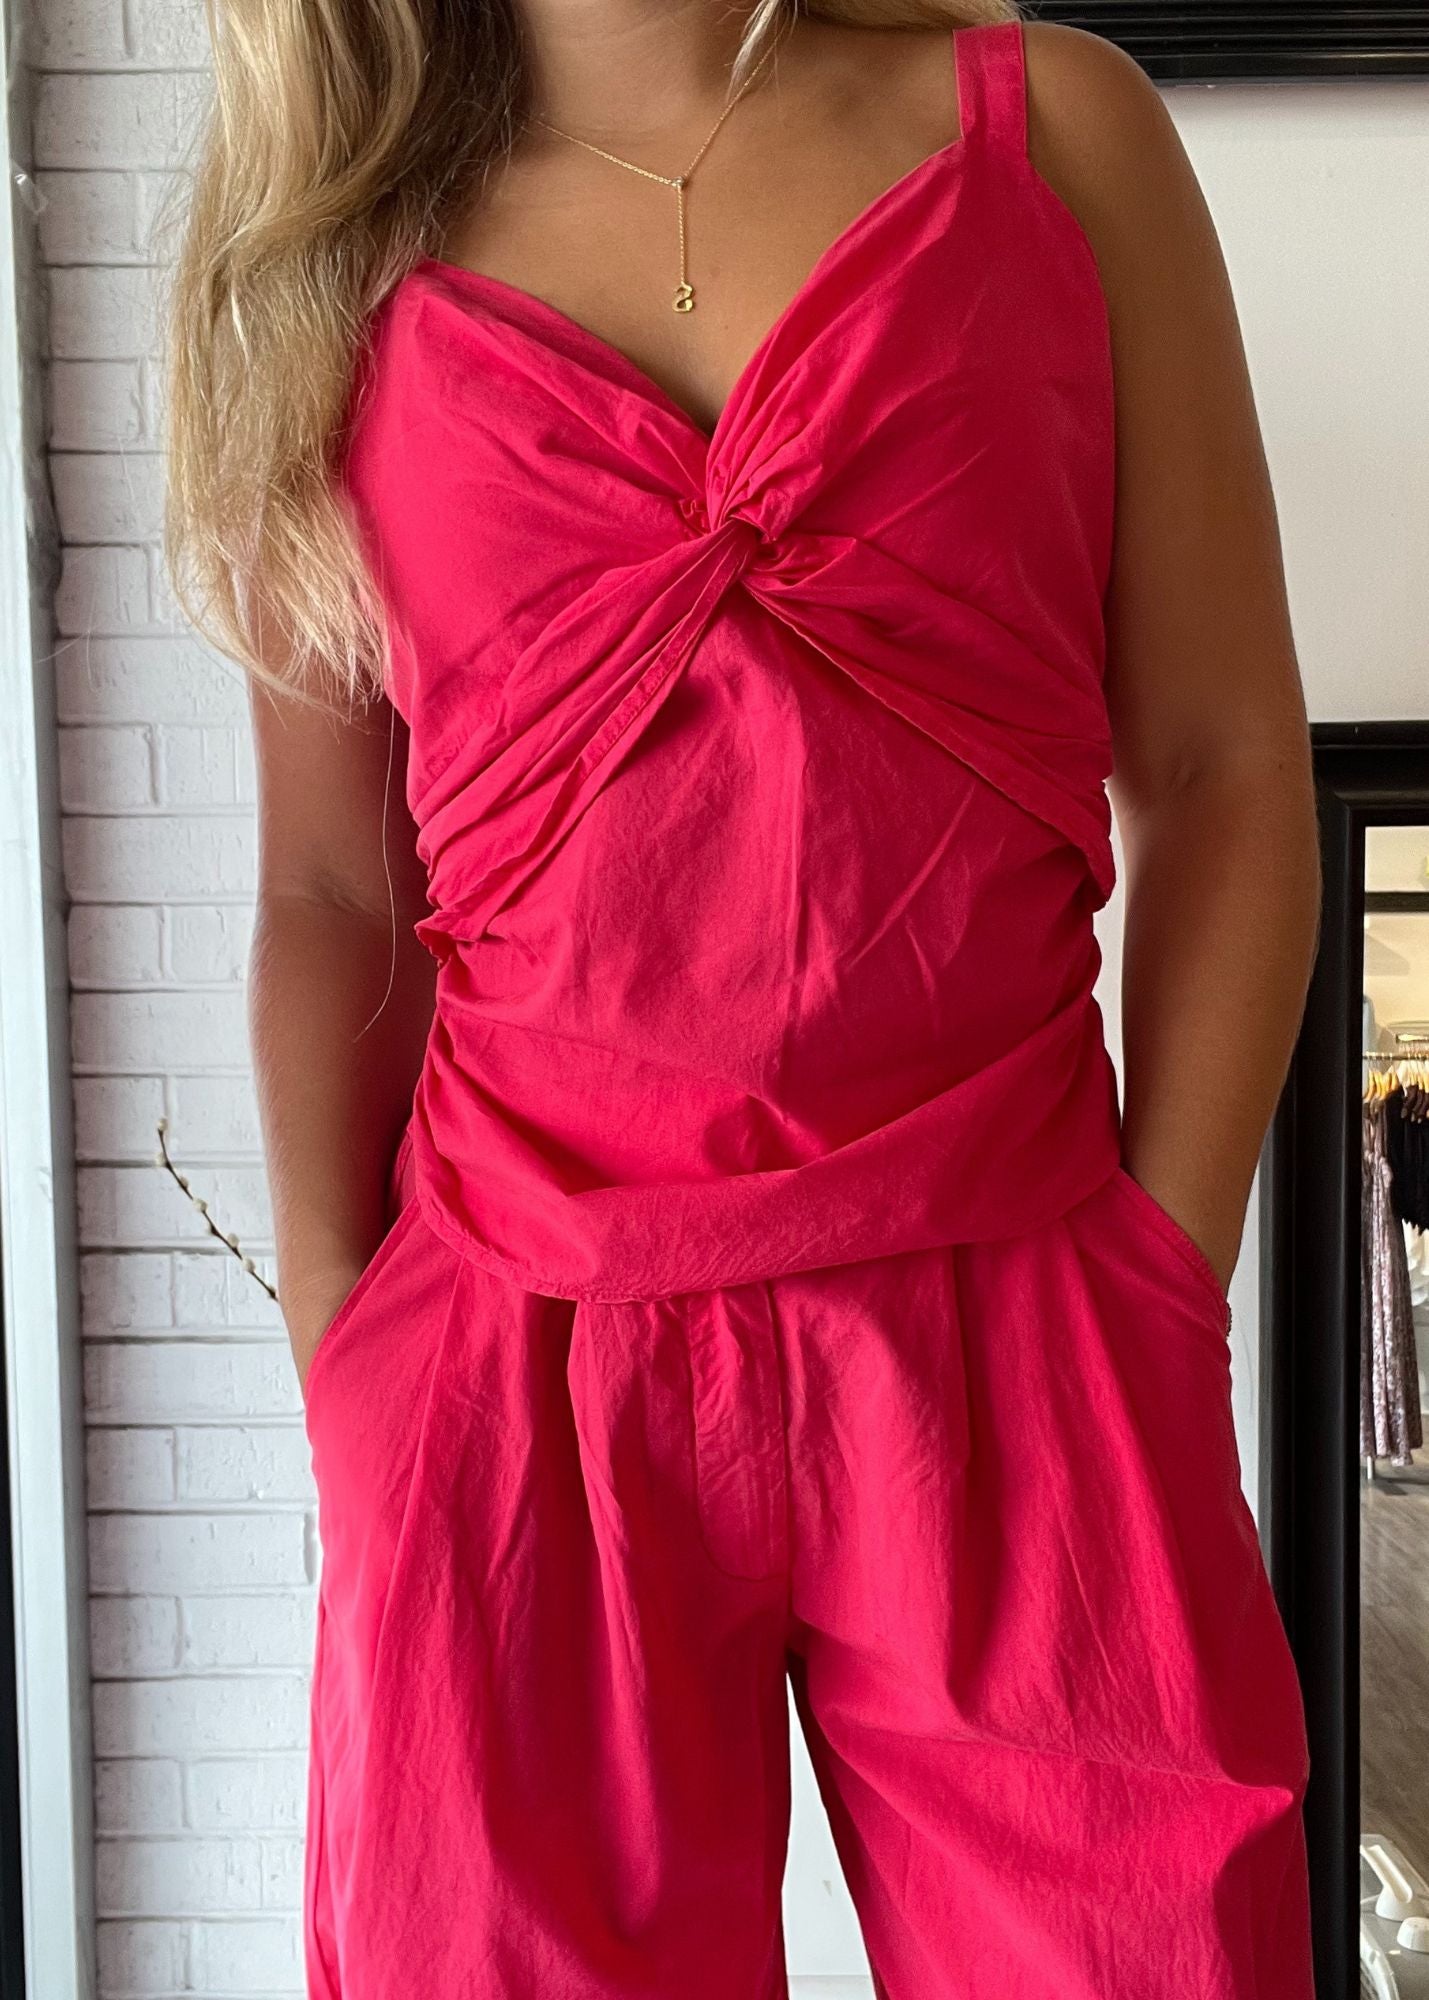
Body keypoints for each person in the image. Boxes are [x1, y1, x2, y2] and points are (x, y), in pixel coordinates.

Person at [163, 1, 1322, 1993]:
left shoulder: (1054, 139)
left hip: (1016, 1321)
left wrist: (1154, 1276)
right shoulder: (326, 253)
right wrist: (353, 1352)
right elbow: (333, 888)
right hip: (518, 1366)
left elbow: (1222, 765)